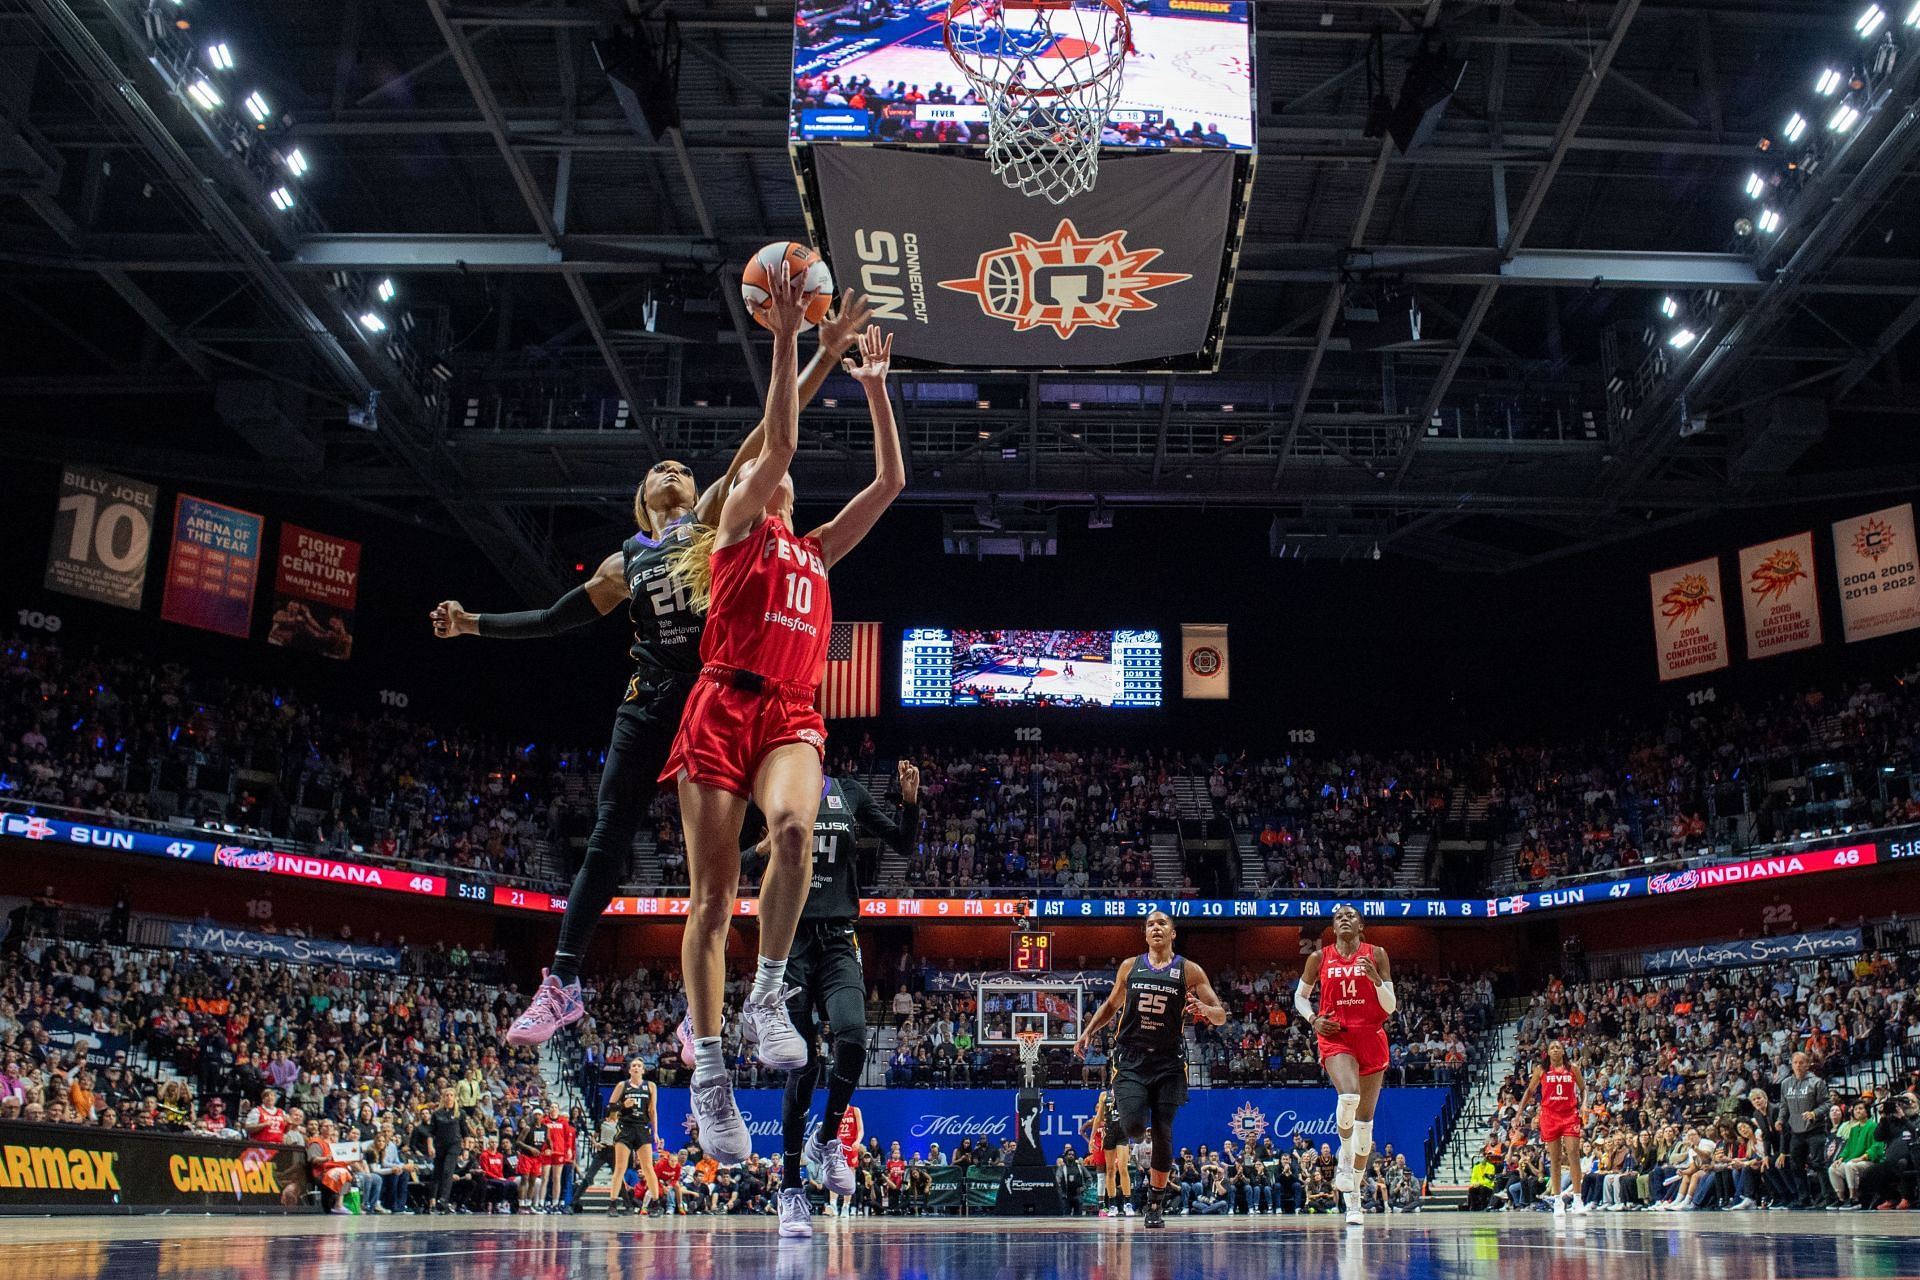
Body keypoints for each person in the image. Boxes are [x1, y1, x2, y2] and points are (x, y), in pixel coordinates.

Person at [432, 287, 874, 1047]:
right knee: (610, 837)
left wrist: (823, 354)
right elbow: (551, 618)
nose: (667, 466)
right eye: (653, 471)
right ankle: (563, 981)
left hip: (720, 693)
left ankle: (705, 1006)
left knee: (722, 876)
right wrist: (473, 623)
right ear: (642, 507)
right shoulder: (624, 562)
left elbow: (773, 434)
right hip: (649, 701)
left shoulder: (712, 518)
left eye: (677, 462)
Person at [663, 299, 905, 1161]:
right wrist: (789, 340)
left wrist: (871, 386)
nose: (779, 472)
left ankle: (766, 992)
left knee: (797, 831)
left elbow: (890, 485)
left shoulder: (816, 549)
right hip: (722, 705)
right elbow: (782, 440)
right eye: (763, 468)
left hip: (791, 714)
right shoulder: (732, 530)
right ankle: (712, 1075)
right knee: (711, 899)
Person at [763, 760, 921, 1238]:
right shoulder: (773, 790)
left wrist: (909, 801)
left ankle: (827, 1138)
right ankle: (791, 1188)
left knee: (853, 1037)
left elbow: (904, 843)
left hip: (837, 937)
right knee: (803, 1065)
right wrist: (760, 851)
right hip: (788, 938)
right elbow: (744, 857)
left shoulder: (847, 791)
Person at [1072, 910, 1228, 1229]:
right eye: (1150, 925)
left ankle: (1154, 1202)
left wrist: (1205, 1009)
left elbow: (1221, 1016)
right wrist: (1088, 1031)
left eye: (1162, 924)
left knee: (1163, 1130)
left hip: (1169, 1060)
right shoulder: (1130, 966)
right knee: (1132, 1128)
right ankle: (1145, 1173)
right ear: (1145, 935)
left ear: (1172, 934)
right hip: (1131, 1058)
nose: (1155, 928)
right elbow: (1112, 1005)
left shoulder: (1190, 970)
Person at [1296, 902, 1397, 1227]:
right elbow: (1299, 997)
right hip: (1336, 1035)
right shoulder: (1319, 958)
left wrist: (1376, 981)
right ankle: (1343, 1160)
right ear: (1333, 925)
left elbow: (1391, 1007)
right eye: (1339, 916)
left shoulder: (1376, 953)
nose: (1344, 919)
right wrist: (1313, 1019)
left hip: (1371, 1036)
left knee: (1365, 1129)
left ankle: (1354, 1199)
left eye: (1350, 915)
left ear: (1361, 925)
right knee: (1348, 1096)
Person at [1518, 1040, 1589, 1215]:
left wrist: (1584, 1104)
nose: (1556, 1049)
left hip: (1569, 1115)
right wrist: (1520, 1111)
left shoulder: (1573, 1068)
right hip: (1549, 1116)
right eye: (1552, 1047)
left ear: (1563, 1051)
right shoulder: (1541, 1070)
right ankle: (1558, 1200)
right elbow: (1529, 1091)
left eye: (1558, 1047)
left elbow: (1583, 1089)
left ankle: (1578, 1199)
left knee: (1573, 1153)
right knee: (1555, 1158)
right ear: (1548, 1052)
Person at [1773, 1051, 1830, 1207]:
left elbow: (1827, 1104)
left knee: (1818, 1164)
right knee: (1796, 1166)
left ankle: (1827, 1197)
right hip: (1796, 1131)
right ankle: (1804, 1198)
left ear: (1807, 1065)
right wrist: (1780, 1119)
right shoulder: (1785, 1084)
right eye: (1795, 1062)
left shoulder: (1817, 1082)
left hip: (1815, 1130)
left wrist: (1814, 1113)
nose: (1798, 1065)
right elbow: (1784, 1106)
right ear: (1791, 1064)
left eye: (1801, 1062)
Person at [607, 1058, 662, 1215]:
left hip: (642, 1128)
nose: (636, 1068)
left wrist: (656, 1132)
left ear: (643, 1070)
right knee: (620, 1167)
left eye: (639, 1066)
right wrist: (623, 1105)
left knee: (648, 1167)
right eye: (633, 1066)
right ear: (630, 1070)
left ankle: (656, 1204)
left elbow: (652, 1111)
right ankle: (612, 1204)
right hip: (625, 1128)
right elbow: (609, 1108)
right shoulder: (622, 1085)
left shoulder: (650, 1086)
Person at [1083, 1087, 1132, 1217]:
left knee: (1122, 1167)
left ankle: (1128, 1203)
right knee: (1110, 1170)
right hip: (1109, 1134)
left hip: (1123, 1134)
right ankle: (1112, 1205)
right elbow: (1098, 1118)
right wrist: (1092, 1138)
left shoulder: (1127, 1091)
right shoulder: (1104, 1095)